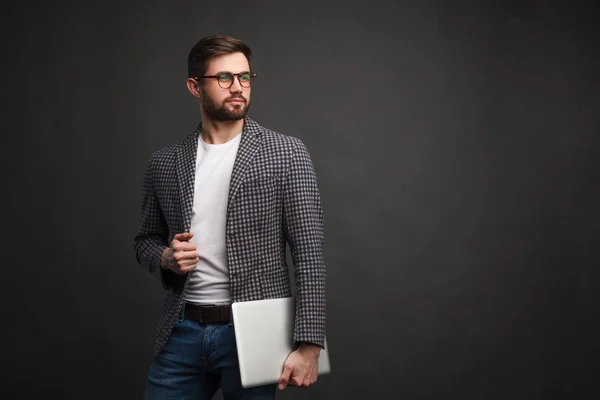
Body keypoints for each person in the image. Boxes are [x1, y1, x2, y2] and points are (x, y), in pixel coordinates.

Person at [133, 34, 327, 399]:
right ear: (195, 86)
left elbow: (309, 254)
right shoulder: (164, 162)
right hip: (182, 331)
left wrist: (310, 344)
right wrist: (165, 257)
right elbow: (144, 241)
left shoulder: (286, 153)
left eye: (245, 77)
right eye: (224, 78)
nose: (237, 87)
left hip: (256, 334)